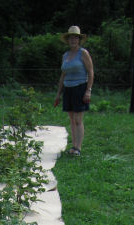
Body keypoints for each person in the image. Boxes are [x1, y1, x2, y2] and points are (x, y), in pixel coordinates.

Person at [54, 25, 94, 157]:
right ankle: (73, 145)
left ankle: (78, 147)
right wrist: (58, 93)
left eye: (76, 38)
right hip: (68, 89)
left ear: (79, 39)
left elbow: (91, 72)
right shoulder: (65, 55)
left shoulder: (83, 53)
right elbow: (63, 75)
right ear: (68, 40)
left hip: (80, 87)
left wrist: (88, 90)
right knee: (71, 119)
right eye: (71, 38)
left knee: (78, 119)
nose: (73, 40)